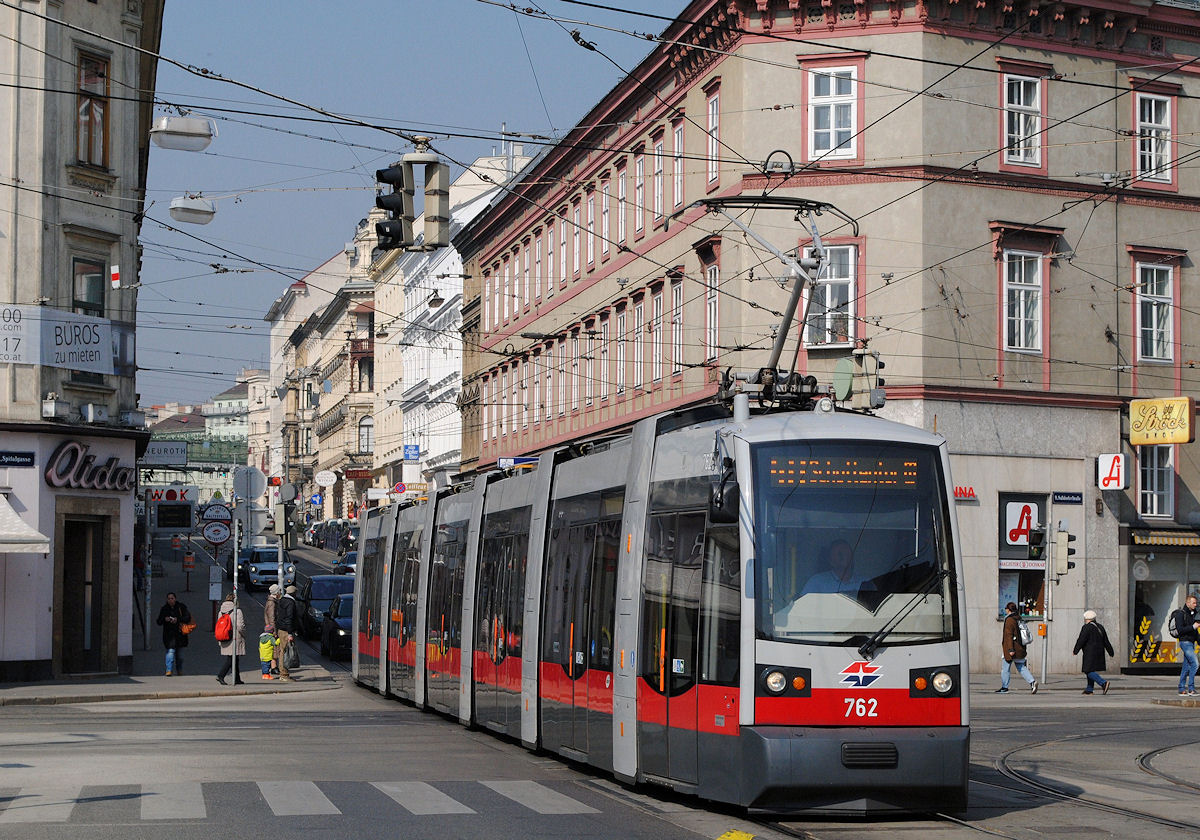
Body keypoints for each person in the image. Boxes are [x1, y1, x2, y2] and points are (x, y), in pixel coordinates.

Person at [799, 540, 872, 596]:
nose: (844, 556)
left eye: (847, 553)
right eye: (840, 554)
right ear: (831, 561)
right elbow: (802, 606)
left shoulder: (866, 583)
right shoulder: (816, 582)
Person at [996, 602, 1037, 694]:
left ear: (1008, 610)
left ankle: (1004, 687)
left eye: (1006, 609)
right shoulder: (1019, 618)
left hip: (1011, 648)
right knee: (1021, 667)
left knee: (1005, 668)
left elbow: (1008, 635)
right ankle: (1032, 682)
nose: (1005, 610)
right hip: (1020, 647)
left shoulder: (1009, 620)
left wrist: (1010, 649)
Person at [1072, 609, 1115, 695]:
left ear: (1086, 618)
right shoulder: (1100, 627)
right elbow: (1106, 641)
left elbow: (1081, 640)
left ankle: (1103, 683)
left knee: (1088, 670)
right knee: (1090, 669)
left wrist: (1075, 650)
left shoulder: (1086, 627)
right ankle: (1089, 689)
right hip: (1099, 652)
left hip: (1090, 653)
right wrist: (1111, 652)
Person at [155, 592, 191, 676]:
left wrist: (177, 619)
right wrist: (165, 619)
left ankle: (179, 669)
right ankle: (169, 670)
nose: (170, 600)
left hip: (180, 635)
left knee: (180, 656)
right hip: (169, 635)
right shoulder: (164, 609)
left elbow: (187, 618)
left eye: (172, 598)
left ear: (175, 599)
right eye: (169, 598)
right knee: (170, 652)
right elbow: (159, 621)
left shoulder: (181, 607)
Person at [1172, 593, 1200, 696]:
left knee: (1186, 666)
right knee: (1195, 664)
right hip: (1185, 642)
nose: (1195, 604)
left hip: (1191, 642)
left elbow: (1195, 632)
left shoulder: (1194, 614)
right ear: (1187, 603)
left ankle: (1181, 688)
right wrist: (1193, 627)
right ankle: (1191, 689)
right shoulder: (1181, 614)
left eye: (1196, 603)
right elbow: (1180, 630)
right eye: (1193, 603)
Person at [215, 593, 246, 685]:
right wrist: (244, 634)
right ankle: (221, 675)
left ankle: (237, 678)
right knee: (231, 659)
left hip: (224, 636)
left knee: (234, 658)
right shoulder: (237, 611)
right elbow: (240, 626)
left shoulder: (221, 612)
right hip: (235, 637)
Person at [275, 584, 300, 682]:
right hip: (286, 630)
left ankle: (284, 673)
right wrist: (290, 633)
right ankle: (284, 674)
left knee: (283, 651)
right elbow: (289, 618)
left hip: (281, 629)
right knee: (285, 652)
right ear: (293, 593)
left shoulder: (282, 601)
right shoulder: (291, 603)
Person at [264, 583, 281, 675]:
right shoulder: (272, 603)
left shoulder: (271, 601)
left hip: (270, 628)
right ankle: (273, 667)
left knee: (274, 648)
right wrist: (274, 631)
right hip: (272, 629)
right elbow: (272, 617)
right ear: (276, 592)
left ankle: (273, 666)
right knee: (274, 648)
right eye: (279, 591)